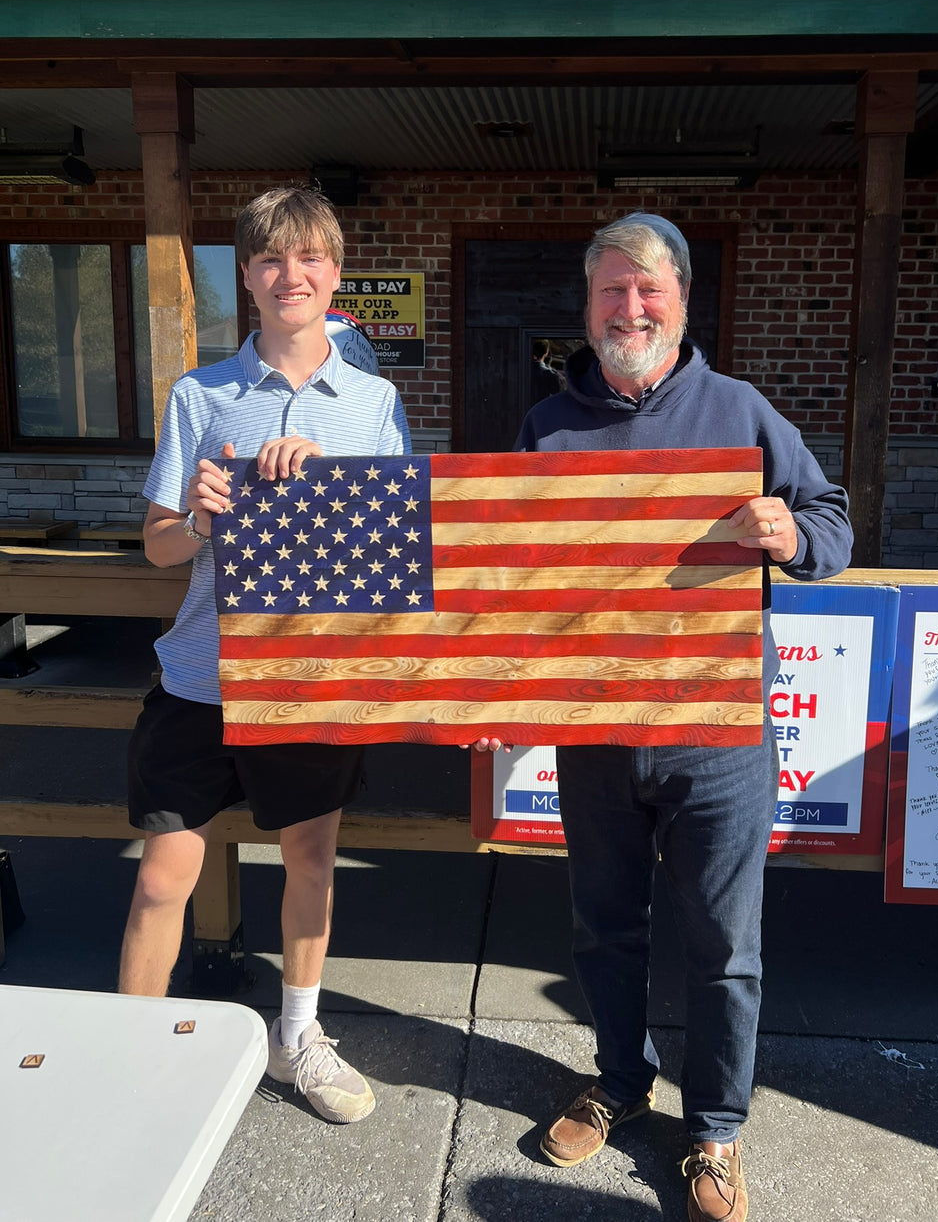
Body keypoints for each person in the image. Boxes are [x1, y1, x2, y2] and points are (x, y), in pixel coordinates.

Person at [479, 213, 853, 1222]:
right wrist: (494, 684)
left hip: (717, 738)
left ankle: (716, 1129)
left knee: (725, 946)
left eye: (649, 289)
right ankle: (619, 1081)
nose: (630, 308)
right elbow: (511, 578)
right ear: (587, 305)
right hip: (597, 735)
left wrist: (791, 532)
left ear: (682, 300)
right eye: (612, 289)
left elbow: (833, 523)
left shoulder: (740, 410)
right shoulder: (547, 424)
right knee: (604, 929)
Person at [118, 186, 410, 1124]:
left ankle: (298, 1035)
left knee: (310, 860)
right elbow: (157, 543)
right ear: (246, 275)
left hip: (310, 680)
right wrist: (201, 520)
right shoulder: (199, 394)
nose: (293, 275)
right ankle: (127, 1054)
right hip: (199, 675)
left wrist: (330, 495)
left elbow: (396, 550)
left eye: (310, 257)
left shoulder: (374, 401)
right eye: (272, 259)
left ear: (336, 272)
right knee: (162, 875)